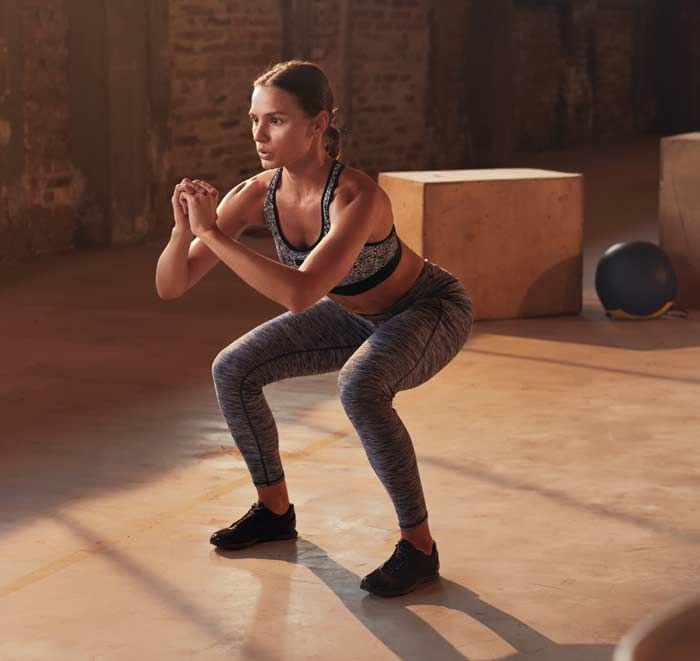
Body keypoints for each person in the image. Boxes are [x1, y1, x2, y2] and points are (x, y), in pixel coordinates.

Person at [155, 60, 473, 597]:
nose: (259, 134)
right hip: (352, 313)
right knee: (233, 368)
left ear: (317, 124)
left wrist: (214, 234)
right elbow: (172, 284)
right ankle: (274, 512)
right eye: (254, 119)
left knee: (361, 388)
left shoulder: (357, 197)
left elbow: (301, 294)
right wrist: (185, 229)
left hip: (427, 309)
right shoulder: (256, 193)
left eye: (275, 120)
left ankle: (419, 547)